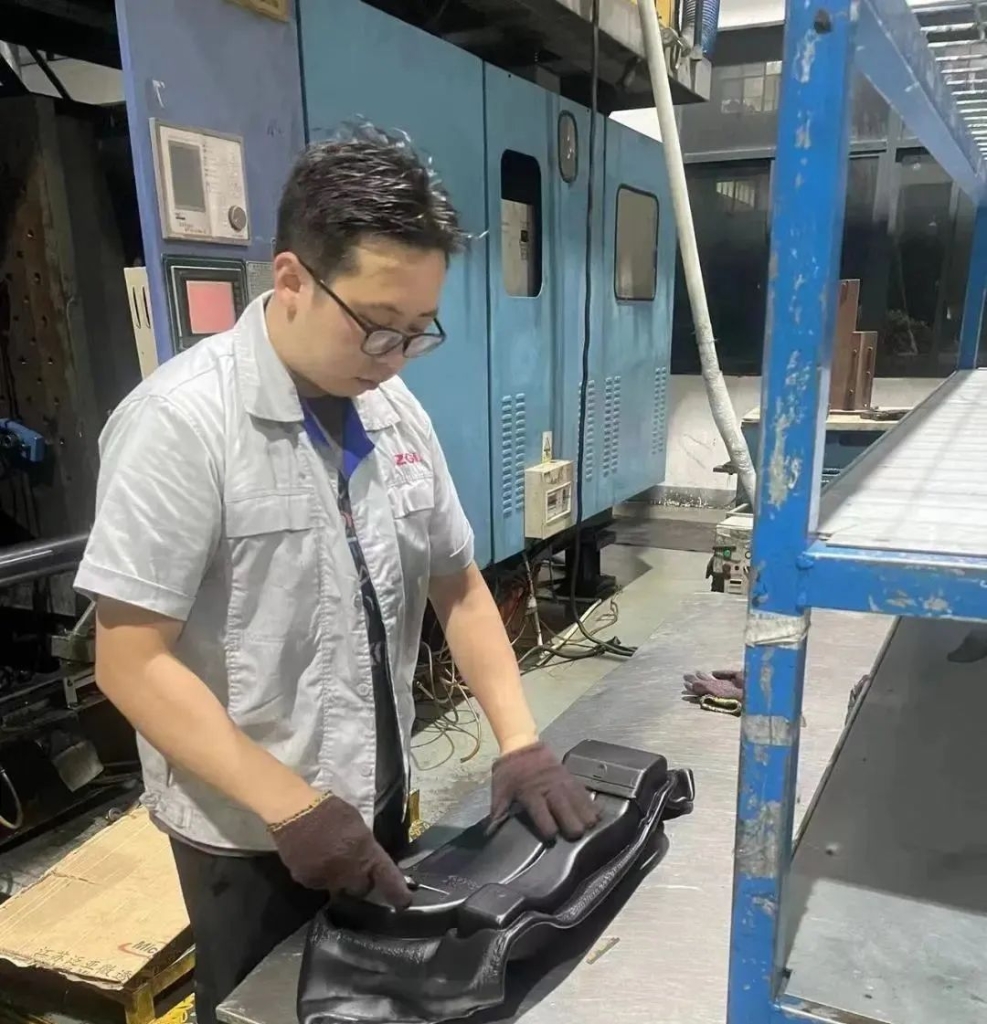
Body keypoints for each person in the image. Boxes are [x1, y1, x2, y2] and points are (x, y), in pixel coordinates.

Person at [75, 124, 599, 1024]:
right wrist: (291, 809)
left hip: (374, 804)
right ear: (291, 280)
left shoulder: (391, 409)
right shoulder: (181, 424)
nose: (392, 356)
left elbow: (458, 585)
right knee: (263, 1007)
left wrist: (519, 743)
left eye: (416, 333)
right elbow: (130, 662)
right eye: (376, 326)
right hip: (251, 835)